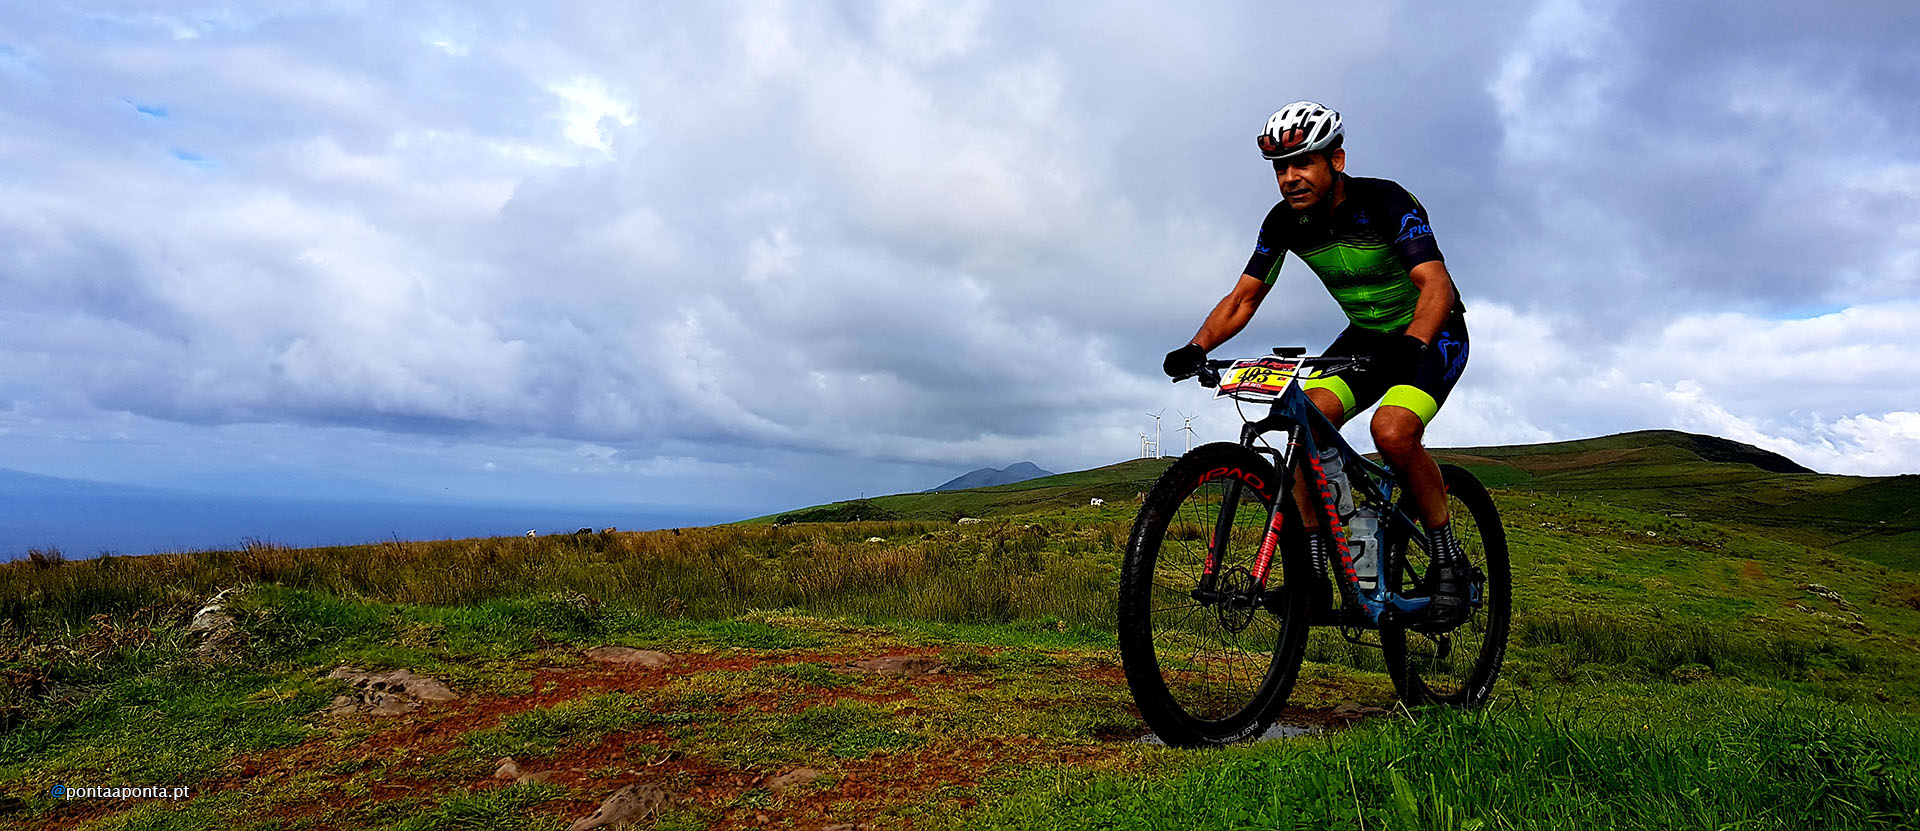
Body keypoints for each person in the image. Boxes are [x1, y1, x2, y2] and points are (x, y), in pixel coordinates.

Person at [1162, 101, 1473, 628]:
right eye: (1281, 168)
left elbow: (1435, 284)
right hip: (1367, 340)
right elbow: (1244, 298)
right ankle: (1313, 573)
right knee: (1305, 428)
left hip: (1432, 331)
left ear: (1337, 160)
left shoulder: (1385, 201)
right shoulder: (1285, 222)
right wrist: (1197, 347)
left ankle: (1447, 559)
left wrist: (1415, 343)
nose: (1290, 177)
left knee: (1392, 432)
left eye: (1302, 162)